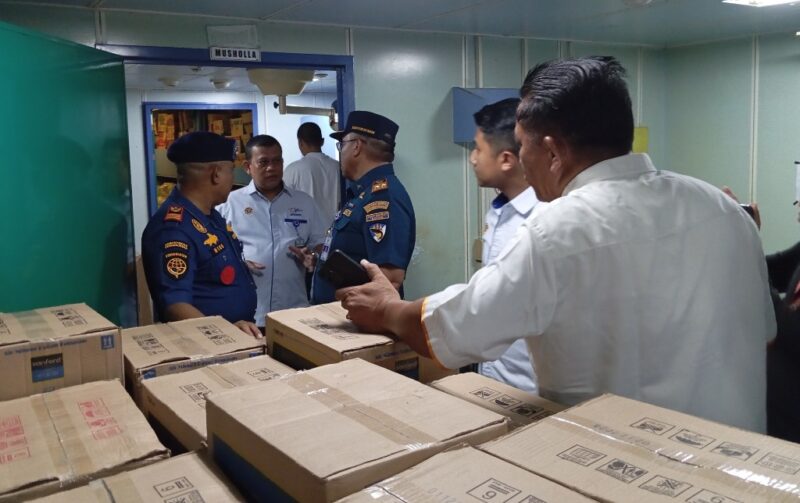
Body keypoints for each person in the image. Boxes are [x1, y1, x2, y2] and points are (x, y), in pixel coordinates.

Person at [337, 57, 775, 432]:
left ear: (552, 150)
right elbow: (765, 335)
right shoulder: (724, 210)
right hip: (736, 469)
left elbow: (454, 327)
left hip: (615, 472)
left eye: (523, 145)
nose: (520, 159)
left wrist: (385, 309)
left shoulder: (558, 230)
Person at [141, 131, 259, 338]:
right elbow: (176, 306)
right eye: (231, 170)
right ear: (216, 174)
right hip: (208, 346)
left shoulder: (210, 217)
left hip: (234, 339)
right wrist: (226, 332)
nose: (232, 179)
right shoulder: (173, 229)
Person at [304, 110, 416, 305]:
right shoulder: (363, 194)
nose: (340, 152)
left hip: (358, 326)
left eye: (342, 145)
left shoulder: (383, 198)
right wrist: (320, 260)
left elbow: (389, 279)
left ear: (356, 147)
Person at [217, 135, 327, 329]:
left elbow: (320, 242)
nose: (271, 168)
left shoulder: (304, 202)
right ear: (247, 167)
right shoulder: (229, 204)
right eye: (263, 162)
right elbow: (212, 252)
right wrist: (237, 263)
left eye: (277, 161)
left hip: (295, 313)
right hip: (248, 316)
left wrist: (314, 256)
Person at [470, 98, 539, 393]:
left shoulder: (544, 218)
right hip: (495, 374)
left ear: (507, 159)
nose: (473, 159)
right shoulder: (500, 208)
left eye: (478, 149)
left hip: (532, 385)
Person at [283, 122, 341, 225]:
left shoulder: (293, 170)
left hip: (307, 234)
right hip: (336, 232)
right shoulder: (339, 167)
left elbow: (282, 205)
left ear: (300, 143)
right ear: (322, 141)